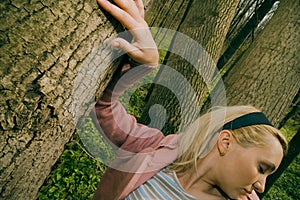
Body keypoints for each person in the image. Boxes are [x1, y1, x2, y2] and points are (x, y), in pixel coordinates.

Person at [92, 0, 288, 199]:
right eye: (262, 168)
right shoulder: (158, 150)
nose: (261, 187)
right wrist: (142, 63)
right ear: (226, 142)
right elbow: (104, 109)